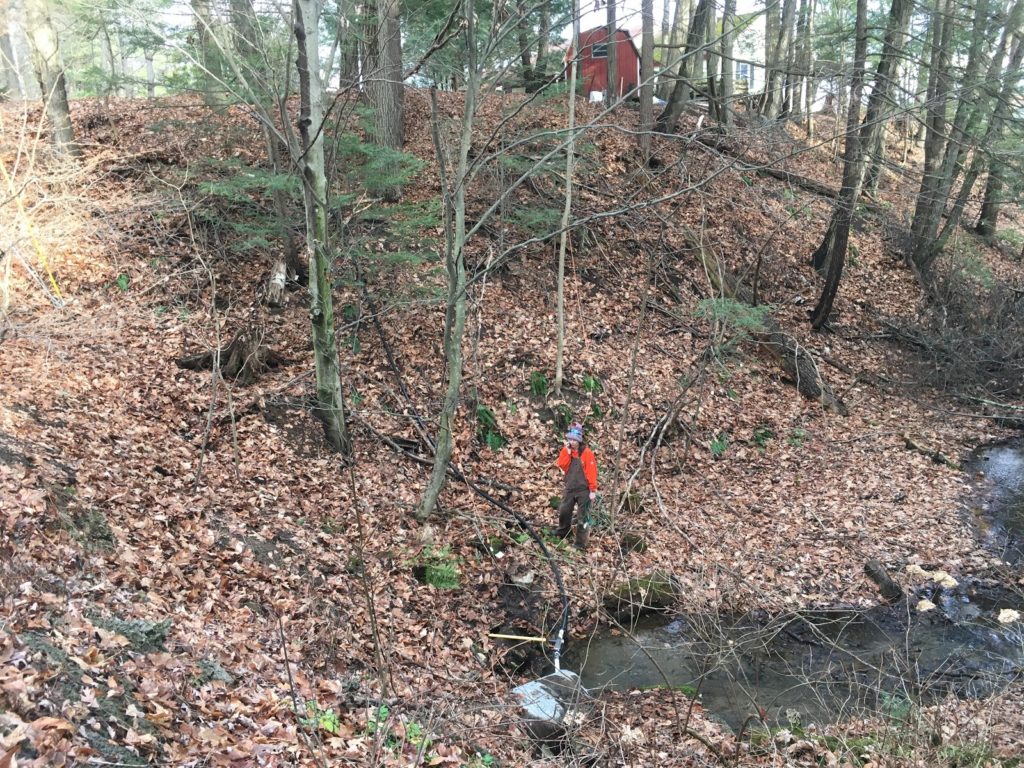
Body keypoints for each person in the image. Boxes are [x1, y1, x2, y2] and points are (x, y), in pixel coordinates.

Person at [555, 423, 598, 550]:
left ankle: (580, 543)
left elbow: (591, 472)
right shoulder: (566, 450)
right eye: (570, 439)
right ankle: (563, 531)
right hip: (570, 487)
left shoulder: (587, 453)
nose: (572, 442)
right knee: (564, 510)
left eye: (574, 440)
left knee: (583, 518)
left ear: (579, 440)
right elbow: (562, 465)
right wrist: (567, 452)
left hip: (584, 490)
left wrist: (592, 490)